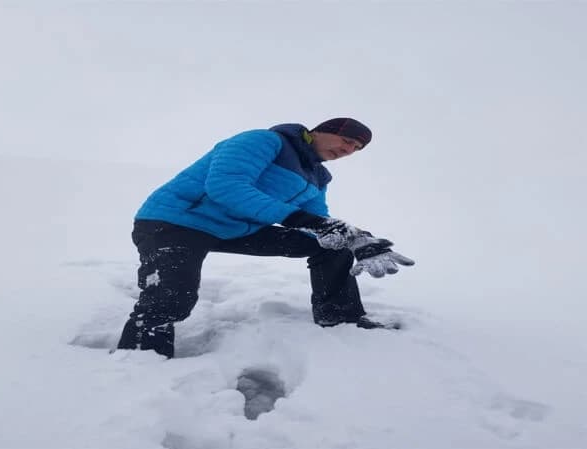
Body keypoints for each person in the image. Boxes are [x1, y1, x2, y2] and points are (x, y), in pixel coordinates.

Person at [117, 118, 414, 358]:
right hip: (176, 221)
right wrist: (303, 219)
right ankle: (141, 359)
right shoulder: (265, 141)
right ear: (320, 131)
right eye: (347, 140)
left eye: (356, 149)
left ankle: (339, 317)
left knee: (329, 245)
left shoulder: (318, 177)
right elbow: (226, 186)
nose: (349, 150)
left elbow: (317, 222)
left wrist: (355, 238)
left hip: (234, 229)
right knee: (173, 298)